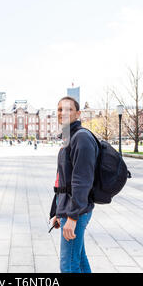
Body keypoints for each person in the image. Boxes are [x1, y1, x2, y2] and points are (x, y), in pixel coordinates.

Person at [49, 96, 99, 273]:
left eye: (69, 109)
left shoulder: (81, 138)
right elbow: (64, 180)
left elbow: (81, 181)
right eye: (60, 109)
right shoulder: (69, 137)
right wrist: (57, 211)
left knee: (68, 265)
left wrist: (72, 217)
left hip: (76, 211)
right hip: (70, 208)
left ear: (78, 114)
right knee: (78, 259)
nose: (63, 113)